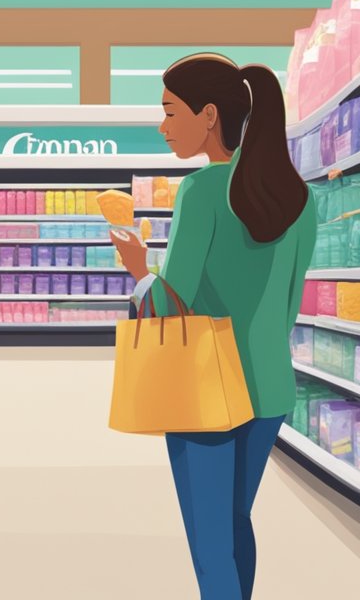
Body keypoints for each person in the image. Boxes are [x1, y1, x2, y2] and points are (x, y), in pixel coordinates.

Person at [110, 53, 316, 600]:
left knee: (209, 543)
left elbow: (168, 303)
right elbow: (291, 304)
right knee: (233, 525)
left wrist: (136, 272)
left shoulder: (201, 192)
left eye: (170, 112)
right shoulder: (300, 199)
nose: (162, 127)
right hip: (270, 387)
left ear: (207, 115)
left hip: (206, 388)